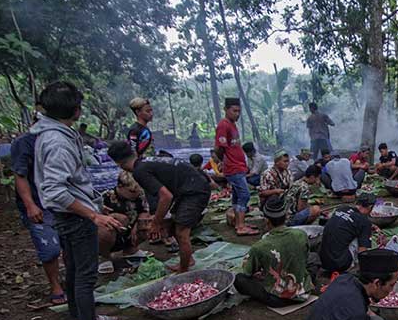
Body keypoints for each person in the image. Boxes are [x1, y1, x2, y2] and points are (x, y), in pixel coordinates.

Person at [33, 81, 132, 320]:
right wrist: (92, 215)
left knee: (75, 270)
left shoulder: (52, 134)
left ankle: (81, 319)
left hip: (69, 215)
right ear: (76, 110)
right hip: (74, 217)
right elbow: (55, 191)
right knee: (86, 274)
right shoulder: (57, 143)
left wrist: (95, 205)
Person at [108, 140, 211, 273]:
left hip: (194, 191)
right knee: (174, 226)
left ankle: (184, 269)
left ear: (118, 163)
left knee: (181, 232)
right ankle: (187, 260)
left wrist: (156, 223)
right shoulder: (145, 162)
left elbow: (166, 196)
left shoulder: (139, 171)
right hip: (189, 187)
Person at [11, 127, 66, 305]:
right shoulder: (24, 143)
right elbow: (20, 174)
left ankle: (71, 280)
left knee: (69, 242)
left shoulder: (61, 136)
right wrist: (30, 205)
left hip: (62, 200)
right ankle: (55, 285)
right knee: (49, 248)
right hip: (38, 203)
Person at [235, 196, 313, 307]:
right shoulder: (301, 234)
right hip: (304, 291)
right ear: (286, 216)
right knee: (314, 258)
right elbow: (305, 257)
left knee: (239, 279)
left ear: (266, 220)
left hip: (277, 298)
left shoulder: (260, 246)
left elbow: (247, 271)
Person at [216, 98, 257, 236]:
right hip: (233, 167)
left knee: (237, 194)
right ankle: (240, 226)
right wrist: (223, 161)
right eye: (234, 111)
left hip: (238, 166)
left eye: (239, 111)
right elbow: (219, 148)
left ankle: (238, 222)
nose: (237, 114)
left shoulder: (232, 124)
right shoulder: (223, 125)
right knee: (244, 195)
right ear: (226, 109)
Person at [98, 171, 151, 261]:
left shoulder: (140, 195)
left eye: (138, 191)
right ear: (120, 186)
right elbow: (96, 218)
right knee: (106, 229)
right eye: (132, 191)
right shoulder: (106, 197)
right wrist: (113, 216)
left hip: (131, 227)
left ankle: (130, 250)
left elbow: (145, 210)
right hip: (113, 230)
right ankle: (104, 257)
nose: (136, 194)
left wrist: (138, 224)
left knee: (148, 223)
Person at [319, 193, 376, 274]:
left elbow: (345, 222)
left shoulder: (341, 209)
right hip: (340, 265)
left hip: (323, 261)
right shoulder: (364, 222)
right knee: (361, 239)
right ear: (370, 207)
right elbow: (362, 251)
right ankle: (351, 266)